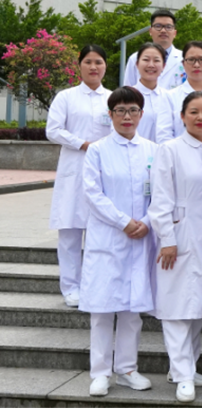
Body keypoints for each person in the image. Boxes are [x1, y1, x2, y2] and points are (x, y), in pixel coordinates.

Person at [80, 86, 158, 397]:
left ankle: (127, 369)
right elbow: (92, 193)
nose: (127, 116)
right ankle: (100, 373)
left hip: (141, 238)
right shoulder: (97, 150)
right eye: (121, 111)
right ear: (110, 115)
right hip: (108, 237)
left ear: (141, 114)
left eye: (133, 110)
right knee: (102, 309)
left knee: (132, 309)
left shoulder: (153, 150)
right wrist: (123, 221)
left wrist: (147, 222)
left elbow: (162, 193)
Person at [149, 91, 202, 403]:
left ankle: (186, 364)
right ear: (182, 116)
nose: (200, 117)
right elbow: (160, 198)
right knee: (176, 306)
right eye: (194, 112)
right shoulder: (170, 149)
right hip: (180, 234)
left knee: (198, 306)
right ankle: (183, 375)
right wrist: (167, 239)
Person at [46, 45, 113, 308]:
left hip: (105, 170)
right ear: (79, 65)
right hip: (74, 169)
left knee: (102, 230)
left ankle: (96, 284)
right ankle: (71, 287)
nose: (93, 67)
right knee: (70, 231)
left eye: (98, 62)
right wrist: (83, 144)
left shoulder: (113, 98)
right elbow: (53, 130)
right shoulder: (66, 97)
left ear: (105, 66)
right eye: (88, 62)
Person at [169, 41, 202, 141]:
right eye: (191, 60)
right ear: (183, 64)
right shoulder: (170, 96)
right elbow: (164, 134)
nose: (196, 65)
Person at [123, 9, 185, 89]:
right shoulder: (135, 58)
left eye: (168, 27)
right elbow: (128, 90)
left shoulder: (185, 59)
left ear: (174, 33)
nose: (163, 30)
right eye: (158, 26)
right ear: (150, 31)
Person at [131, 42, 175, 143]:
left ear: (163, 66)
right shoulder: (127, 97)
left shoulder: (170, 97)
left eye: (156, 60)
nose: (151, 65)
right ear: (137, 64)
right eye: (146, 60)